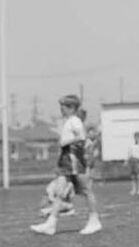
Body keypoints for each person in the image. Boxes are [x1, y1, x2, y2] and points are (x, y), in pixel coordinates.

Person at [31, 95, 102, 236]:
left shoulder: (75, 121)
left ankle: (94, 220)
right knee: (60, 192)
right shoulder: (69, 121)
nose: (61, 110)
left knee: (86, 190)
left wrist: (66, 142)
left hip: (73, 159)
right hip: (66, 159)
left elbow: (81, 137)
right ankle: (51, 223)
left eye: (63, 107)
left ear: (71, 108)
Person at [127, 130, 139, 198]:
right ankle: (133, 189)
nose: (136, 138)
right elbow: (129, 154)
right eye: (135, 136)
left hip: (137, 161)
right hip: (132, 161)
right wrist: (127, 161)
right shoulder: (131, 145)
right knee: (132, 177)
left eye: (138, 137)